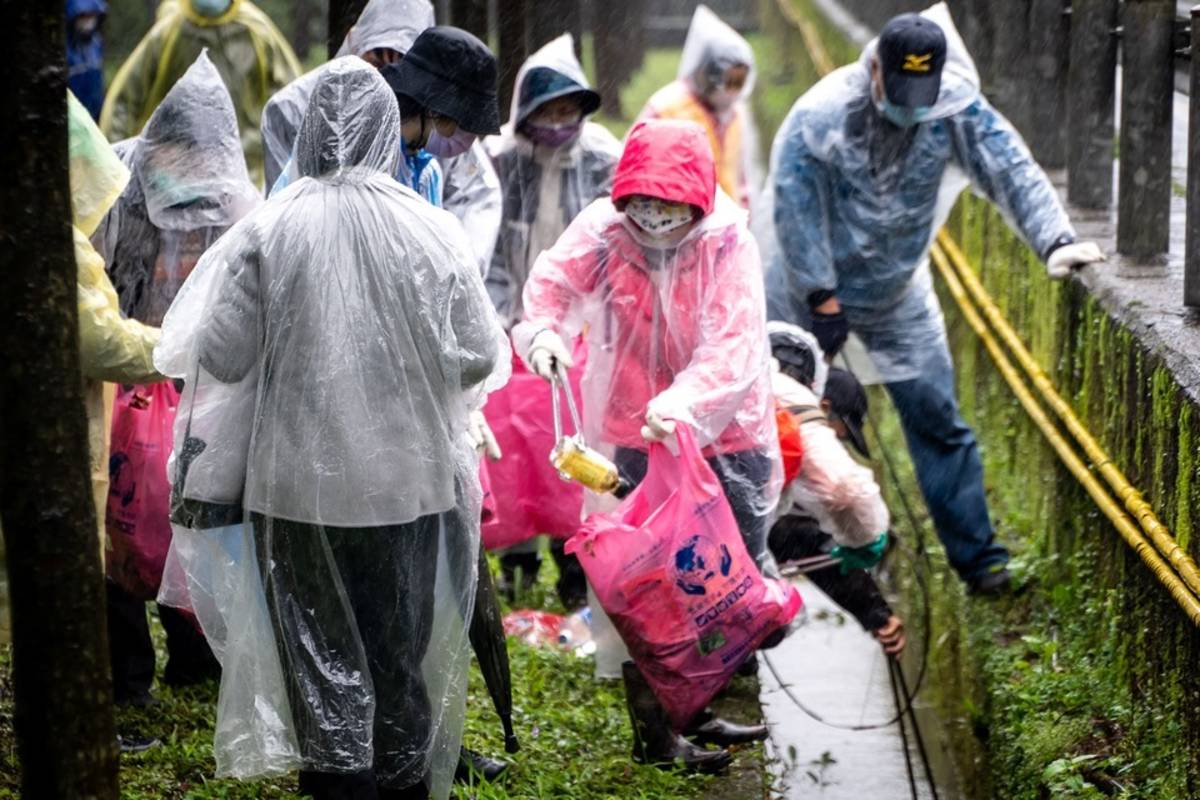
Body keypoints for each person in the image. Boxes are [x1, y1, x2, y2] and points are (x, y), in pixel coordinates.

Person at [154, 59, 509, 800]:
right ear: (390, 130)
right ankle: (406, 784)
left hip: (294, 490)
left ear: (309, 131)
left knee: (317, 660)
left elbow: (219, 353)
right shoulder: (431, 229)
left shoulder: (268, 230)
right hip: (406, 488)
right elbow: (478, 354)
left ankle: (337, 784)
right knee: (395, 653)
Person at [762, 6, 1106, 594]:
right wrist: (821, 295)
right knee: (782, 423)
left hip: (897, 292)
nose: (910, 107)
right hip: (803, 289)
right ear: (875, 69)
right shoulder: (820, 117)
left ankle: (980, 561)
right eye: (899, 91)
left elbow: (1009, 166)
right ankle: (774, 558)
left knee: (936, 416)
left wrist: (1056, 239)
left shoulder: (954, 108)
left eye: (922, 94)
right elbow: (795, 208)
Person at [513, 119, 778, 773]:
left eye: (670, 211)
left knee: (716, 580)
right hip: (634, 433)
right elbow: (551, 287)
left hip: (724, 435)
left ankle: (694, 703)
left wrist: (685, 404)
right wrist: (542, 333)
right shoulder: (605, 230)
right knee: (645, 588)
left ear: (698, 202)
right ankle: (656, 737)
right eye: (644, 209)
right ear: (624, 198)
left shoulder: (725, 241)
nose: (656, 224)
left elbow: (733, 344)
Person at [94, 52, 259, 707]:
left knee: (192, 513)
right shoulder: (111, 186)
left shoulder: (236, 203)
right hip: (120, 374)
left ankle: (196, 655)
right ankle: (125, 677)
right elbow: (93, 294)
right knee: (123, 517)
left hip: (195, 380)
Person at [481, 32, 621, 609]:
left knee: (571, 444)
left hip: (579, 328)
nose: (560, 122)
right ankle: (516, 558)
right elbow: (489, 248)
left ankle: (573, 560)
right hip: (512, 318)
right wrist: (497, 319)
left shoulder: (603, 160)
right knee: (515, 446)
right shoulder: (498, 163)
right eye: (548, 111)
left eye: (570, 111)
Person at [261, 0, 502, 276]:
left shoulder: (426, 163)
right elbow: (288, 229)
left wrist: (458, 272)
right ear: (353, 42)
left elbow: (475, 198)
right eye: (377, 61)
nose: (383, 80)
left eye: (400, 62)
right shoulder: (297, 109)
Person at [68, 91, 167, 752]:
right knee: (70, 581)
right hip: (61, 444)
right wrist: (179, 346)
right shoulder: (41, 236)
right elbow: (98, 339)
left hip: (78, 429)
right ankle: (77, 726)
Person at [766, 324, 904, 656]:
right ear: (822, 406)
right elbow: (846, 493)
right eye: (840, 432)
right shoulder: (795, 408)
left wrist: (874, 612)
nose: (838, 441)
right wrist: (867, 540)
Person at [100, 0, 301, 185]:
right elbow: (125, 101)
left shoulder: (256, 30)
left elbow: (292, 100)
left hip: (246, 172)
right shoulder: (170, 30)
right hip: (174, 175)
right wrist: (115, 167)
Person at [636, 5, 756, 208]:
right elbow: (638, 171)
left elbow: (739, 175)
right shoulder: (667, 108)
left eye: (740, 83)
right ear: (709, 74)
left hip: (725, 226)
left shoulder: (734, 114)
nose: (733, 91)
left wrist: (744, 214)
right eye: (729, 81)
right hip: (680, 222)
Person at [66, 0, 107, 119]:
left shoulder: (96, 43)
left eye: (92, 16)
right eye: (83, 16)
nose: (88, 22)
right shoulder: (64, 49)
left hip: (95, 115)